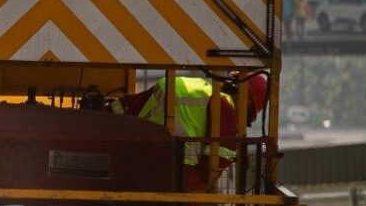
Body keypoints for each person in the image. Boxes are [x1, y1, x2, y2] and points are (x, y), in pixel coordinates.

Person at [109, 74, 267, 192]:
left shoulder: (176, 84)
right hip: (177, 178)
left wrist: (101, 112)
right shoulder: (224, 108)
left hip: (131, 166)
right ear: (244, 100)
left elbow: (126, 108)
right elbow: (213, 167)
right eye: (247, 115)